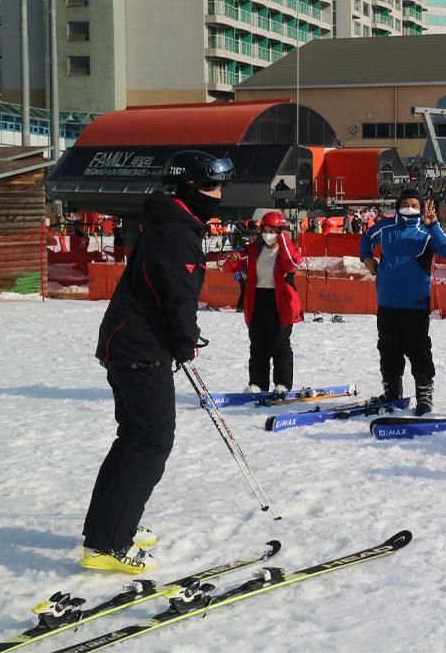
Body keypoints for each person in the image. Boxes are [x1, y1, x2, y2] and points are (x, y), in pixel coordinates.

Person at [85, 150, 234, 573]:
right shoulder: (175, 232)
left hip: (131, 343)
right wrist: (185, 342)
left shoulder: (170, 222)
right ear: (187, 187)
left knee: (133, 439)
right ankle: (107, 543)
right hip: (140, 348)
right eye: (211, 186)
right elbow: (178, 295)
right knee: (151, 443)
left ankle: (109, 527)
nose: (219, 194)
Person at [360, 188, 446, 415]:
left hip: (415, 304)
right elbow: (365, 237)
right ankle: (392, 393)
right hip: (386, 303)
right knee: (388, 350)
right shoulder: (386, 227)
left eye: (414, 204)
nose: (409, 208)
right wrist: (366, 257)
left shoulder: (427, 230)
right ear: (398, 205)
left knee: (419, 351)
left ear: (421, 208)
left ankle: (424, 397)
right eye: (405, 204)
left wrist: (434, 225)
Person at [224, 212, 303, 393]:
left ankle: (282, 384)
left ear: (281, 232)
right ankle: (257, 384)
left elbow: (291, 264)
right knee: (258, 345)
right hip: (258, 301)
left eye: (273, 231)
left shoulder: (288, 250)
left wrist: (283, 239)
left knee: (280, 345)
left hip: (280, 303)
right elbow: (229, 267)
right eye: (265, 230)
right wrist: (233, 259)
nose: (268, 235)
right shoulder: (252, 251)